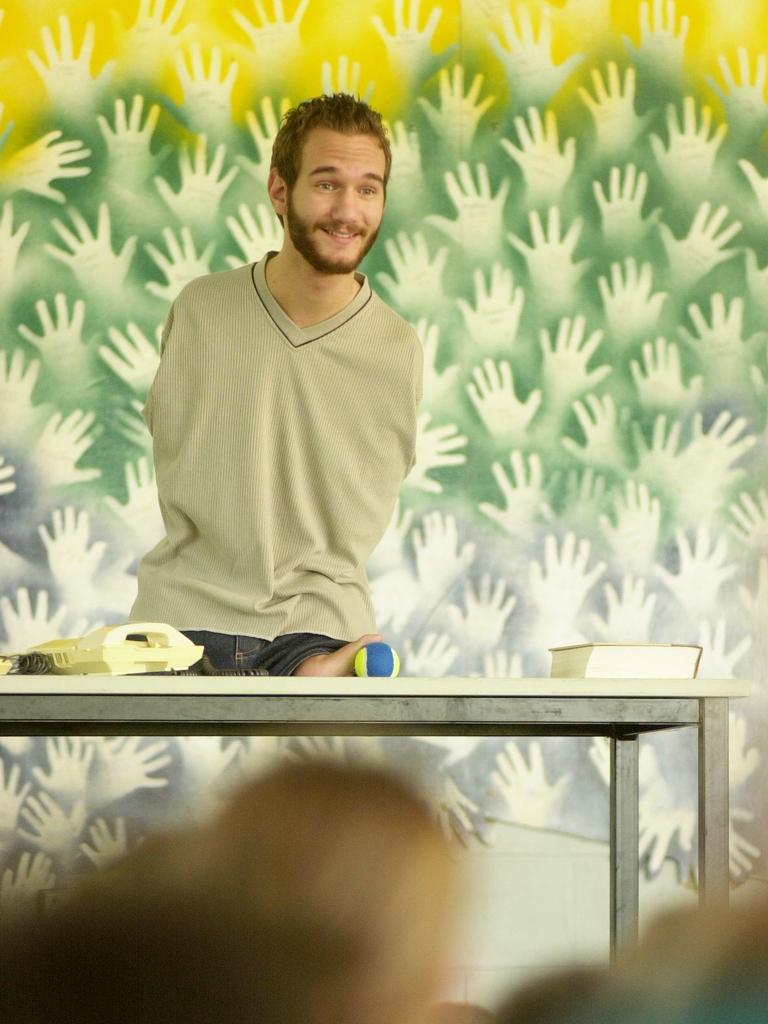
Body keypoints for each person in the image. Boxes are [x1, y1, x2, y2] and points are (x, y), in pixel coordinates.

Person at [130, 93, 423, 677]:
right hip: (181, 617)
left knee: (336, 663)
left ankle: (324, 665)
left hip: (318, 622)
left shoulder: (398, 349)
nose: (348, 209)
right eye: (326, 184)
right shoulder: (201, 309)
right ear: (279, 191)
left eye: (368, 188)